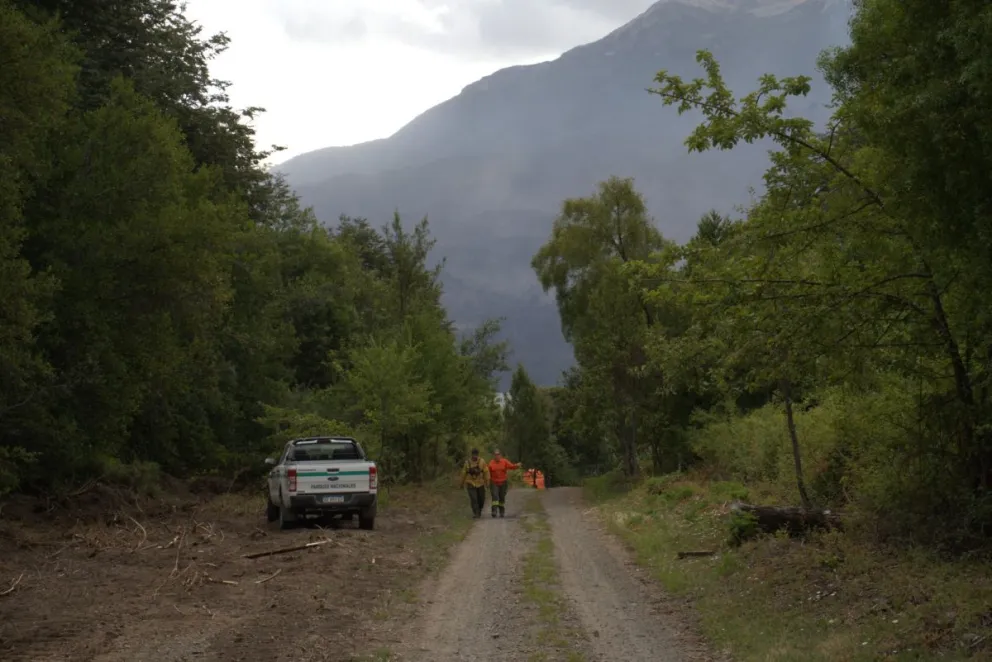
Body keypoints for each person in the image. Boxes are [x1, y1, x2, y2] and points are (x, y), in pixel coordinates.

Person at [487, 449, 520, 518]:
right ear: (494, 456)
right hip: (494, 482)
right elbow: (487, 472)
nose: (497, 456)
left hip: (503, 482)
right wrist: (487, 480)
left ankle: (501, 511)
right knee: (495, 496)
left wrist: (517, 465)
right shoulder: (491, 463)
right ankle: (494, 511)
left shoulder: (504, 461)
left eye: (498, 454)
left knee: (502, 497)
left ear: (500, 455)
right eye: (495, 455)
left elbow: (511, 466)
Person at [459, 448, 490, 519]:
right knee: (474, 499)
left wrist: (487, 482)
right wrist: (461, 484)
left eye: (476, 455)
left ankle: (479, 509)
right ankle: (476, 513)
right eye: (473, 455)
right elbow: (463, 473)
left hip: (480, 483)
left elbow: (486, 472)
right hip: (470, 483)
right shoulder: (467, 463)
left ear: (478, 455)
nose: (475, 456)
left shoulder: (482, 461)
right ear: (471, 455)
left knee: (481, 499)